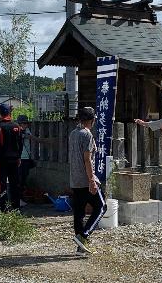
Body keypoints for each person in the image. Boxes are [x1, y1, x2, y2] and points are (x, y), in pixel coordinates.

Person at [70, 107, 107, 256]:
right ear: (92, 120)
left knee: (78, 213)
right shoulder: (87, 135)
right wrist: (92, 180)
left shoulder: (73, 134)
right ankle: (84, 235)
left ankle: (81, 247)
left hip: (75, 179)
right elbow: (87, 159)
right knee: (101, 207)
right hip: (86, 179)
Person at [0, 103, 22, 212]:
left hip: (1, 160)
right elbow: (20, 144)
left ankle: (3, 208)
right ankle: (16, 208)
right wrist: (19, 157)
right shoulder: (17, 126)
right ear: (9, 113)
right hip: (14, 159)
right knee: (15, 184)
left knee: (2, 185)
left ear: (0, 114)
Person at [16, 114, 35, 207]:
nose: (26, 125)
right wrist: (22, 134)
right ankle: (18, 199)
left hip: (26, 157)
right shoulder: (16, 130)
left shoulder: (26, 130)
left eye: (26, 123)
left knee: (24, 178)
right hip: (20, 158)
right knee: (19, 179)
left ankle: (20, 198)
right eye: (24, 123)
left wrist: (24, 134)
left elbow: (29, 136)